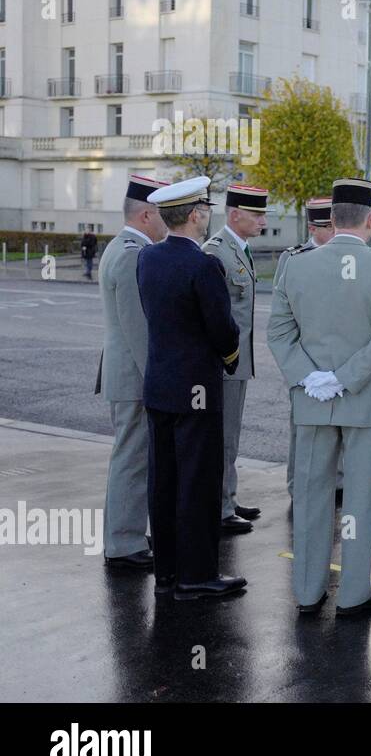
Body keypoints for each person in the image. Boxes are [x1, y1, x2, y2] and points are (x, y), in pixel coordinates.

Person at [267, 178, 371, 617]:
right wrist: (345, 378)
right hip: (364, 401)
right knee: (359, 503)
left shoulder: (297, 264)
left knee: (310, 498)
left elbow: (278, 332)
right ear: (370, 219)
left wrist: (312, 378)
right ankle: (352, 594)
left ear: (331, 219)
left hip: (312, 401)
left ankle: (308, 592)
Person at [135, 176, 245, 601]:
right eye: (206, 210)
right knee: (197, 483)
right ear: (196, 215)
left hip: (160, 385)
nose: (206, 217)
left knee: (163, 481)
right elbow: (222, 330)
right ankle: (196, 576)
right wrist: (231, 356)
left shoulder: (147, 258)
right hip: (197, 388)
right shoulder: (203, 265)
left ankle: (166, 572)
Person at [95, 174, 168, 570]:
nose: (164, 224)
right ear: (145, 215)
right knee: (132, 458)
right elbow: (138, 328)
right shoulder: (130, 254)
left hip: (129, 375)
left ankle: (127, 534)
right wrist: (156, 380)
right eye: (161, 215)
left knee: (134, 456)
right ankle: (123, 543)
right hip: (134, 377)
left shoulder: (127, 248)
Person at [203, 184, 268, 534]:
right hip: (223, 363)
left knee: (231, 434)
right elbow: (214, 316)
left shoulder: (237, 249)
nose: (263, 220)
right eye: (256, 214)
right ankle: (220, 507)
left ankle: (227, 495)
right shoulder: (216, 253)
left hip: (237, 363)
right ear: (234, 215)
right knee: (222, 437)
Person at [275, 197, 342, 502]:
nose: (336, 231)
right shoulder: (293, 259)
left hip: (339, 356)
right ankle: (298, 485)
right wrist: (300, 369)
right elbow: (283, 317)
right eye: (330, 227)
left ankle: (336, 482)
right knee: (302, 428)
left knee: (339, 424)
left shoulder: (346, 255)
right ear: (314, 228)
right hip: (306, 358)